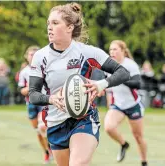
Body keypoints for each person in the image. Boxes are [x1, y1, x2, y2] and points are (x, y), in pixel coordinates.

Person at [29, 3, 130, 166]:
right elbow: (33, 94)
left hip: (84, 118)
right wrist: (51, 99)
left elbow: (123, 72)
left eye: (55, 23)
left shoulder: (87, 52)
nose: (50, 27)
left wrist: (101, 84)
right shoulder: (41, 57)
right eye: (48, 23)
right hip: (55, 122)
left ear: (69, 27)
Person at [104, 40, 148, 166]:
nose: (112, 52)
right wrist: (108, 102)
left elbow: (137, 84)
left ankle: (144, 162)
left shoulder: (130, 65)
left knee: (138, 137)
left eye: (115, 49)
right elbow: (108, 87)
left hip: (133, 105)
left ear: (123, 51)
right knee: (109, 127)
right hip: (118, 105)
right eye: (110, 49)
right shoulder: (108, 66)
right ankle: (124, 144)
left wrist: (121, 78)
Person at [18, 46, 52, 164]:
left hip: (43, 102)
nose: (32, 56)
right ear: (26, 56)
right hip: (31, 104)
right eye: (30, 54)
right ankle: (47, 152)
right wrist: (32, 88)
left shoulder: (45, 68)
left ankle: (52, 147)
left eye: (35, 54)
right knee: (38, 131)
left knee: (43, 127)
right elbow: (22, 90)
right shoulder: (24, 72)